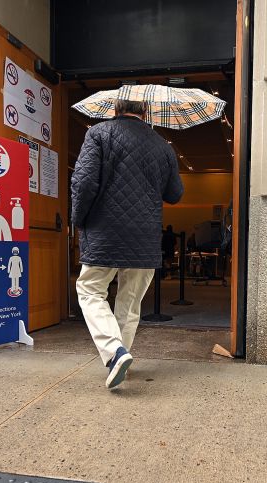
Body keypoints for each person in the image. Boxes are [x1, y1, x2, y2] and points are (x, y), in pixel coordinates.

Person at [71, 98, 183, 389]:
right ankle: (119, 357)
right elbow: (175, 194)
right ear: (144, 111)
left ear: (115, 108)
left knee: (90, 289)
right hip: (145, 235)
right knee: (130, 302)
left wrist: (78, 220)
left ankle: (115, 352)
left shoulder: (98, 134)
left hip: (105, 230)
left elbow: (83, 183)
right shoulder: (163, 145)